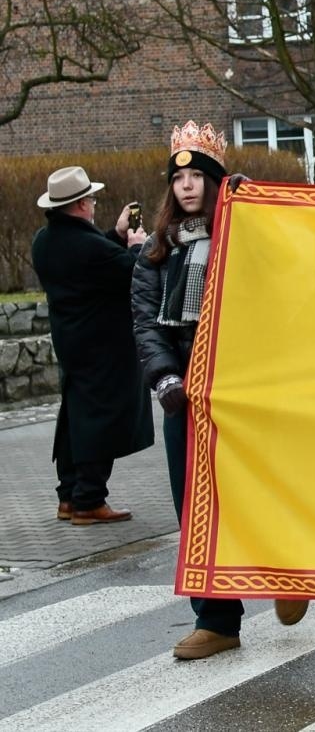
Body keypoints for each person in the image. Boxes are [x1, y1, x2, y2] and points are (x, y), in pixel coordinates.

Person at [132, 121, 310, 659]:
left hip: (241, 386)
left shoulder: (245, 237)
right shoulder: (156, 252)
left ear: (215, 181)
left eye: (198, 175)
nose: (186, 185)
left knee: (257, 486)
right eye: (178, 177)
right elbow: (145, 322)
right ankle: (216, 619)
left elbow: (282, 287)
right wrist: (165, 378)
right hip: (183, 394)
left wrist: (249, 202)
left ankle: (287, 573)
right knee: (195, 505)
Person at [31, 166, 153, 525]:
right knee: (104, 420)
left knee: (75, 419)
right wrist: (136, 246)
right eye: (93, 199)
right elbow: (129, 270)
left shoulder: (44, 241)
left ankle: (69, 496)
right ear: (82, 204)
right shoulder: (88, 248)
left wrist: (115, 235)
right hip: (105, 349)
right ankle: (89, 499)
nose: (95, 204)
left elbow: (92, 257)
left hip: (72, 344)